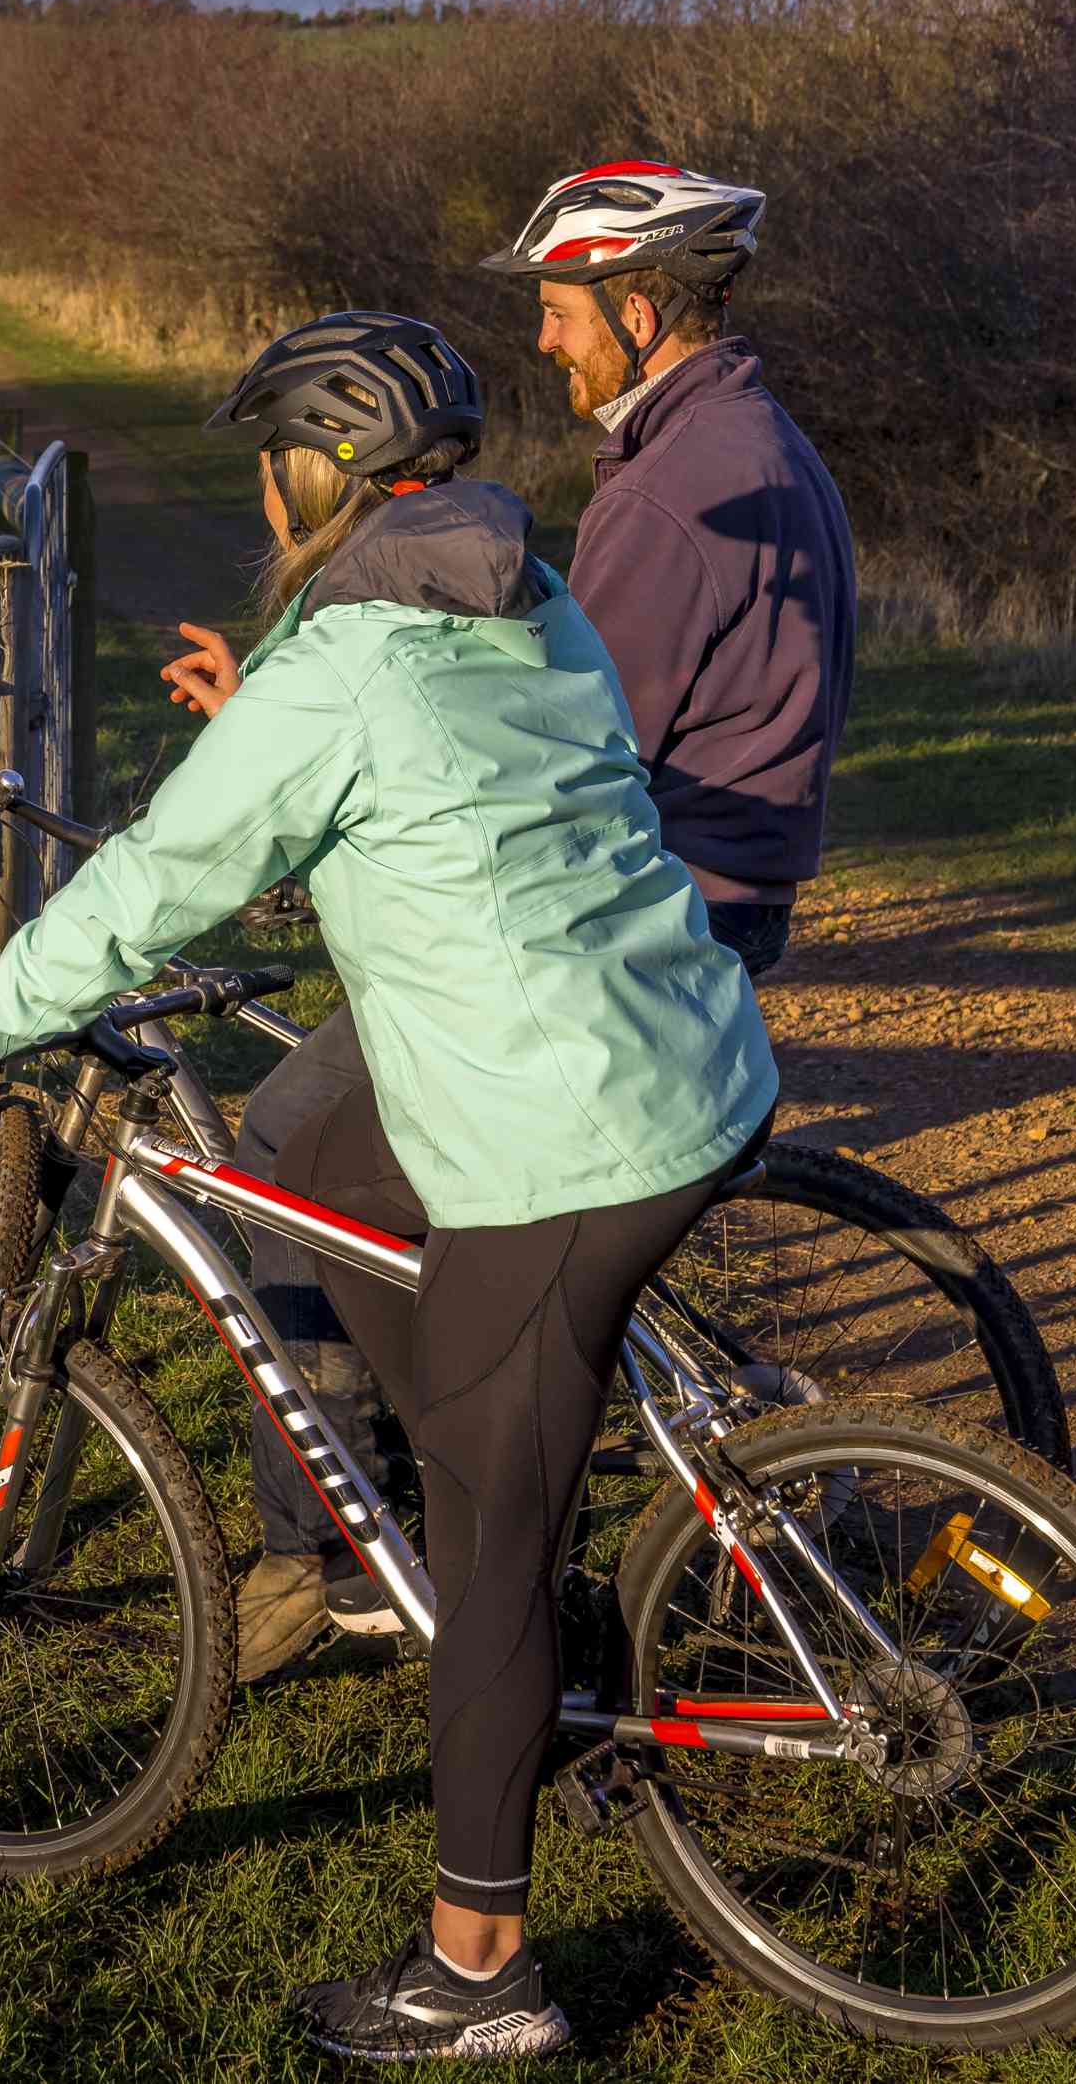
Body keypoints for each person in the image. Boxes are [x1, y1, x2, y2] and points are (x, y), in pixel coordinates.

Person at [0, 311, 776, 2063]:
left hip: (565, 1131)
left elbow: (155, 884)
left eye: (270, 464)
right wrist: (265, 720)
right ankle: (451, 1548)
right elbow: (423, 776)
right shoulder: (520, 588)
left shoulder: (341, 670)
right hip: (678, 1046)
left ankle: (480, 1975)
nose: (260, 492)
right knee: (324, 1169)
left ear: (318, 475)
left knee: (489, 1538)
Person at [201, 161, 860, 1685]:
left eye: (562, 313)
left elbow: (550, 755)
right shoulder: (747, 443)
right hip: (715, 894)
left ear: (638, 309)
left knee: (282, 1150)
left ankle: (339, 1558)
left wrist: (328, 783)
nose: (549, 346)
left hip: (615, 926)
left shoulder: (673, 492)